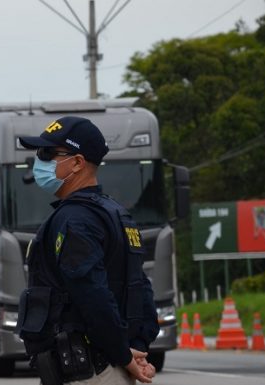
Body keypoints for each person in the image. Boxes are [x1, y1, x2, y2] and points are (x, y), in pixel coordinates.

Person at [15, 116, 158, 385]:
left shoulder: (75, 220)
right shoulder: (117, 214)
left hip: (89, 372)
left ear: (78, 163)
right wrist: (137, 349)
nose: (39, 161)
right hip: (110, 367)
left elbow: (93, 295)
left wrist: (125, 356)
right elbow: (141, 290)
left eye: (47, 154)